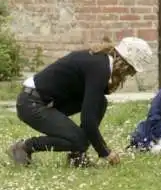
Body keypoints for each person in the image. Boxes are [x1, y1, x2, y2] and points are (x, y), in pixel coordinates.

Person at [8, 37, 153, 168]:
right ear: (125, 65)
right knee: (79, 140)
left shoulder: (100, 61)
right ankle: (24, 147)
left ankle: (76, 156)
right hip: (31, 103)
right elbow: (88, 120)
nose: (129, 75)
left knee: (100, 103)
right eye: (130, 71)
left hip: (45, 101)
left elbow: (92, 101)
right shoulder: (99, 68)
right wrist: (105, 152)